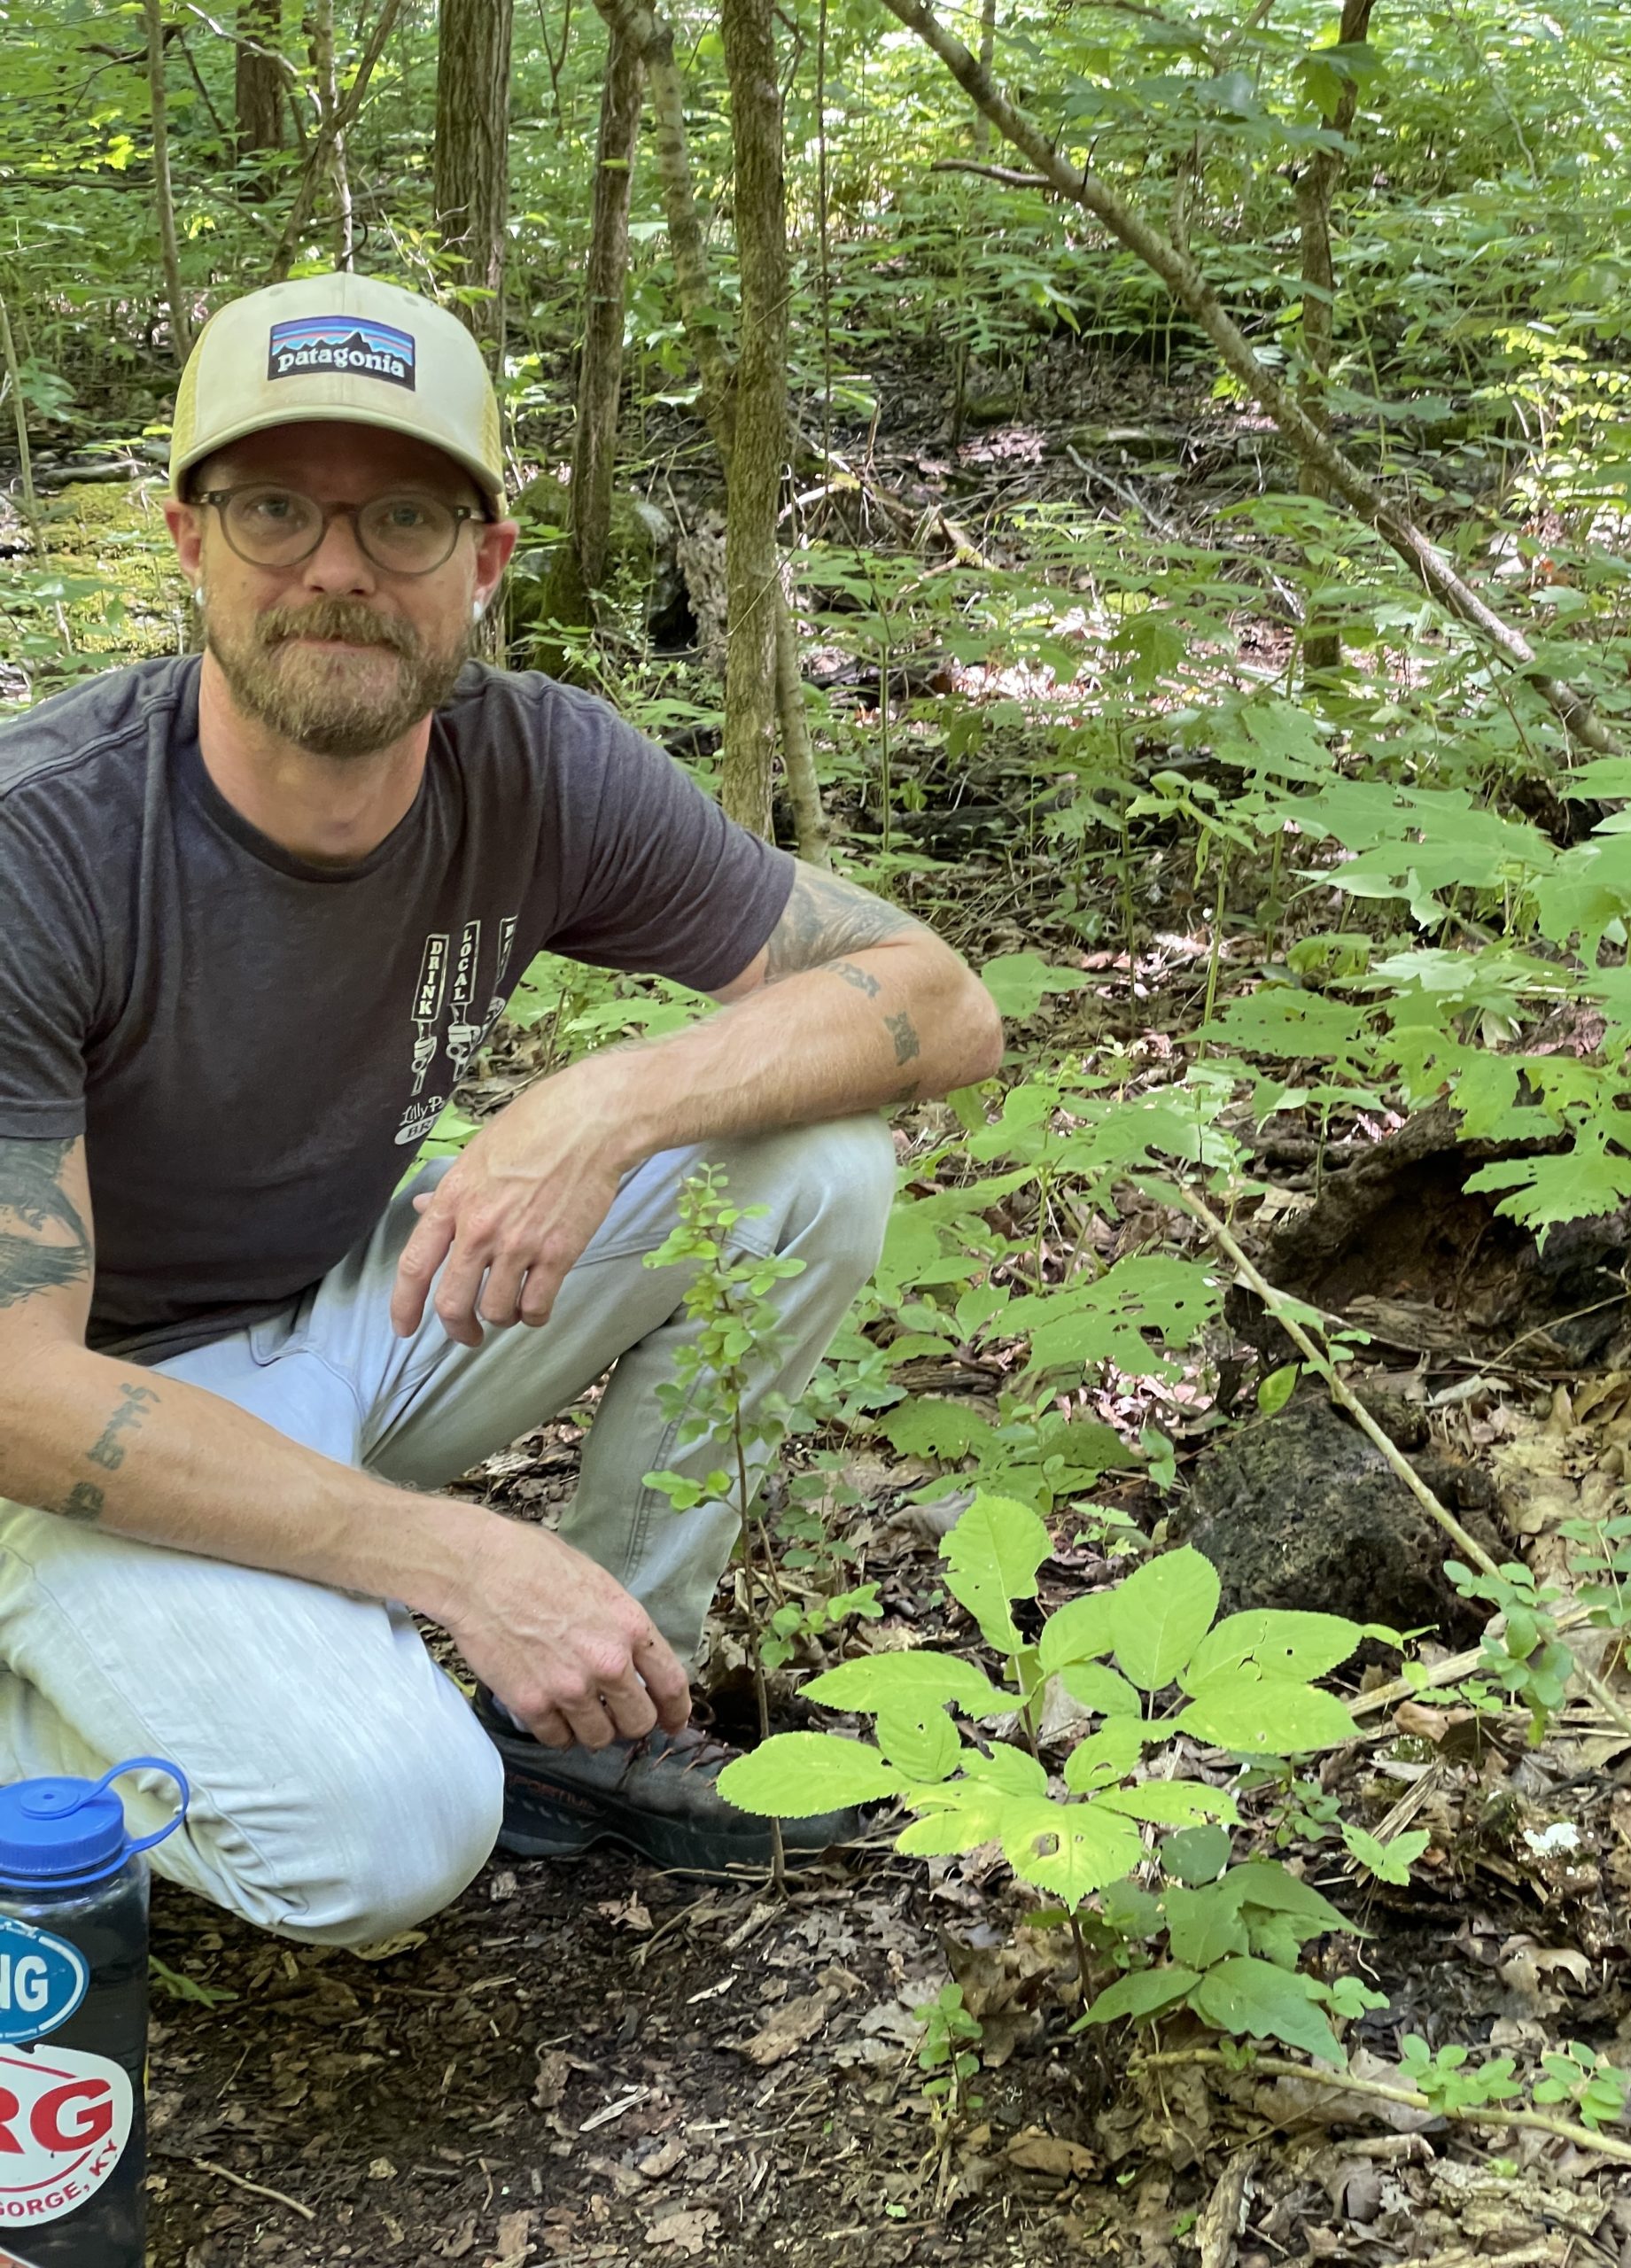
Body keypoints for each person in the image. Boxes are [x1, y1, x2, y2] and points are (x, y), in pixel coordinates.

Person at [0, 273, 1003, 1948]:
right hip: (71, 1433)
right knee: (386, 1844)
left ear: (482, 559)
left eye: (401, 513)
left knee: (804, 1163)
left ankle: (593, 1724)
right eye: (273, 508)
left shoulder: (534, 766)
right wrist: (454, 1563)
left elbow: (940, 1002)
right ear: (189, 540)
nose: (335, 567)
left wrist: (612, 1097)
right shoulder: (48, 844)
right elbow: (15, 1386)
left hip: (334, 1317)